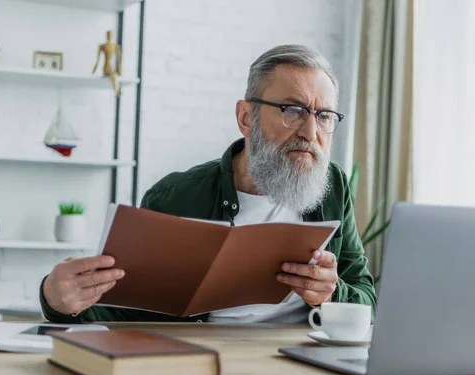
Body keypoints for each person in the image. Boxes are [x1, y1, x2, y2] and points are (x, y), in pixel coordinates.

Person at [40, 44, 376, 324]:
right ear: (246, 118)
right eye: (293, 110)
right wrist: (56, 300)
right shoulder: (175, 198)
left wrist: (332, 293)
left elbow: (366, 299)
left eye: (324, 116)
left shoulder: (332, 185)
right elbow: (127, 310)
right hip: (209, 360)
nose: (310, 132)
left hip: (302, 363)